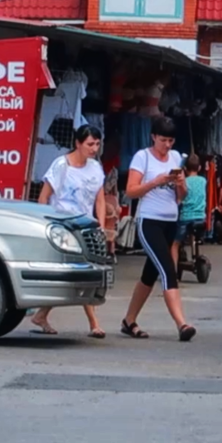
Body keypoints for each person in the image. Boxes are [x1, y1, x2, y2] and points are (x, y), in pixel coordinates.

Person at [121, 116, 197, 342]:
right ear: (153, 137)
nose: (167, 145)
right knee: (167, 269)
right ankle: (182, 323)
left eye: (171, 140)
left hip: (170, 220)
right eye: (163, 140)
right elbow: (131, 191)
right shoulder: (142, 157)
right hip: (149, 220)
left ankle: (129, 320)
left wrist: (181, 184)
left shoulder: (175, 157)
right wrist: (156, 181)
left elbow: (181, 197)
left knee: (149, 274)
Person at [31, 125, 107, 338]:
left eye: (97, 144)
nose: (94, 149)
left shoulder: (95, 168)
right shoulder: (61, 165)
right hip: (63, 228)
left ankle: (42, 314)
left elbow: (99, 200)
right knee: (78, 274)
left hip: (86, 226)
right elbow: (44, 197)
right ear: (78, 143)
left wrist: (100, 226)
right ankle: (94, 323)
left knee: (79, 275)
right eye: (90, 144)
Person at [173, 154, 207, 268]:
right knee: (195, 237)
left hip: (185, 217)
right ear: (200, 168)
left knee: (175, 243)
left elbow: (179, 199)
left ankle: (172, 271)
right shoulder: (203, 181)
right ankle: (195, 254)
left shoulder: (184, 182)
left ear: (185, 169)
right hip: (200, 217)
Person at [102, 168, 120, 262]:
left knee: (109, 240)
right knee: (108, 240)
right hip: (108, 226)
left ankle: (111, 253)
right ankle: (110, 254)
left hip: (110, 226)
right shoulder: (107, 199)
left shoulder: (113, 199)